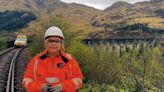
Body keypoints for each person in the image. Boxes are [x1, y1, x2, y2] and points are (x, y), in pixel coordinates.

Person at [22, 26, 83, 92]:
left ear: (61, 43)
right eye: (50, 41)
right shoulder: (36, 61)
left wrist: (63, 87)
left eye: (57, 41)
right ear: (45, 43)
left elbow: (78, 80)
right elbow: (26, 81)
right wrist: (39, 87)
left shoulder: (69, 60)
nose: (53, 44)